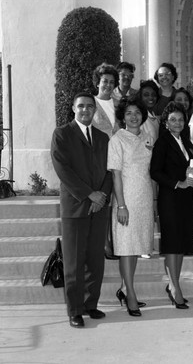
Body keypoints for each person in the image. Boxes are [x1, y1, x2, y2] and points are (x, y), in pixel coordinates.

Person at [50, 92, 112, 328]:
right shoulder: (62, 134)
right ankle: (74, 310)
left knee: (95, 258)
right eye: (81, 106)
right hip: (76, 206)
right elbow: (62, 169)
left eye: (89, 106)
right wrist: (89, 194)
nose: (85, 110)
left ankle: (90, 304)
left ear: (95, 110)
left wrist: (102, 196)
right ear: (74, 109)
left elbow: (110, 170)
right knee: (74, 262)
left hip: (99, 206)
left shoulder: (103, 137)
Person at [107, 98, 154, 317]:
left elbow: (149, 171)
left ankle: (125, 289)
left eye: (137, 113)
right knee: (126, 247)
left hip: (144, 198)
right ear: (122, 117)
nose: (133, 116)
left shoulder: (147, 137)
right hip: (126, 200)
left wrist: (153, 202)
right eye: (128, 113)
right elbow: (116, 174)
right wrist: (121, 205)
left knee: (135, 247)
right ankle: (131, 295)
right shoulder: (117, 139)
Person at [150, 102, 193, 309]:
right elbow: (155, 172)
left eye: (180, 119)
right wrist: (177, 183)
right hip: (170, 197)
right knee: (171, 243)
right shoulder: (162, 143)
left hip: (186, 198)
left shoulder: (185, 141)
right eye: (173, 120)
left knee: (180, 244)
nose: (177, 123)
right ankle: (175, 287)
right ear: (166, 123)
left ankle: (173, 284)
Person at [92, 63, 121, 138]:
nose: (108, 85)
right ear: (98, 83)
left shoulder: (119, 104)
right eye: (105, 81)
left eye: (111, 82)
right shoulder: (90, 103)